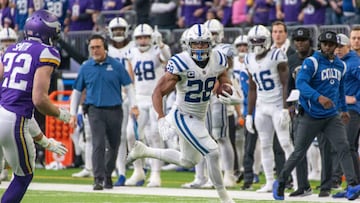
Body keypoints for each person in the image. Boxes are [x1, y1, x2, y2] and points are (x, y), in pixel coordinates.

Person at [126, 23, 240, 203]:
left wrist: (227, 90)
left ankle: (144, 150)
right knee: (212, 151)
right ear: (188, 44)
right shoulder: (181, 62)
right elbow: (158, 92)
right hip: (182, 115)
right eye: (196, 44)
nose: (200, 47)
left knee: (188, 161)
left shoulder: (218, 59)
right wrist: (161, 117)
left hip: (200, 115)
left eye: (203, 43)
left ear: (211, 43)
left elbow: (223, 79)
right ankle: (224, 197)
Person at [273, 31, 360, 201]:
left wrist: (343, 109)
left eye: (331, 44)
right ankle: (281, 181)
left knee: (343, 147)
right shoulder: (311, 62)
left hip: (331, 116)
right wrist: (318, 97)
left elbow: (340, 89)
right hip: (310, 115)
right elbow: (300, 84)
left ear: (336, 46)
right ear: (320, 44)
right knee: (299, 152)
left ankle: (352, 185)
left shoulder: (340, 65)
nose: (328, 47)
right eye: (325, 43)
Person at [0, 9, 71, 202]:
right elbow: (38, 100)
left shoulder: (10, 50)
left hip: (4, 112)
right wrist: (60, 114)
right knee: (24, 177)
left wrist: (44, 141)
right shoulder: (47, 52)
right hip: (13, 120)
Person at [69, 34, 138, 190]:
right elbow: (77, 91)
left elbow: (128, 86)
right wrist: (73, 113)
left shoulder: (116, 65)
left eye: (98, 47)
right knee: (98, 143)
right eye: (92, 47)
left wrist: (134, 105)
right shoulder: (86, 67)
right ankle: (98, 178)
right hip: (95, 110)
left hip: (115, 109)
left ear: (105, 48)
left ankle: (108, 174)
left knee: (114, 145)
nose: (95, 50)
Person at [244, 24, 296, 193]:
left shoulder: (276, 54)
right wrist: (249, 114)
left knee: (286, 143)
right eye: (254, 41)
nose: (257, 44)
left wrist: (285, 107)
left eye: (260, 41)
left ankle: (297, 181)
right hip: (261, 106)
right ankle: (269, 182)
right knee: (265, 145)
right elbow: (252, 88)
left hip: (276, 105)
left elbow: (285, 83)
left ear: (266, 41)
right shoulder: (248, 58)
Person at [125, 23, 171, 187]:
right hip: (138, 97)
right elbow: (130, 78)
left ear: (151, 38)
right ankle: (138, 171)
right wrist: (130, 98)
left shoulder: (157, 50)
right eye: (139, 37)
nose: (143, 41)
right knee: (131, 134)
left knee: (154, 135)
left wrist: (162, 45)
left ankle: (156, 174)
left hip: (155, 97)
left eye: (146, 37)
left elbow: (168, 60)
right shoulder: (131, 52)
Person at [106, 16, 135, 186]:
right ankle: (121, 171)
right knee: (121, 136)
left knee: (139, 134)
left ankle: (142, 168)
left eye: (121, 29)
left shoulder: (135, 47)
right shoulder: (106, 50)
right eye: (115, 29)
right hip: (115, 95)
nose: (118, 32)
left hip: (134, 94)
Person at [332, 33, 360, 197]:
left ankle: (354, 185)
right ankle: (354, 184)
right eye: (336, 47)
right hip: (344, 110)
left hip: (352, 110)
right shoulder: (338, 63)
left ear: (348, 46)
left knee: (347, 147)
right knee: (350, 148)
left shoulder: (354, 62)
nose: (337, 50)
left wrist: (356, 97)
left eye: (341, 47)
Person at [232, 34, 261, 190]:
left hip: (264, 107)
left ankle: (258, 173)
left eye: (245, 45)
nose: (242, 48)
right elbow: (242, 90)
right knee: (248, 145)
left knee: (270, 145)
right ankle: (248, 175)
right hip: (247, 107)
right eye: (239, 46)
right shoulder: (240, 64)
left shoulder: (262, 61)